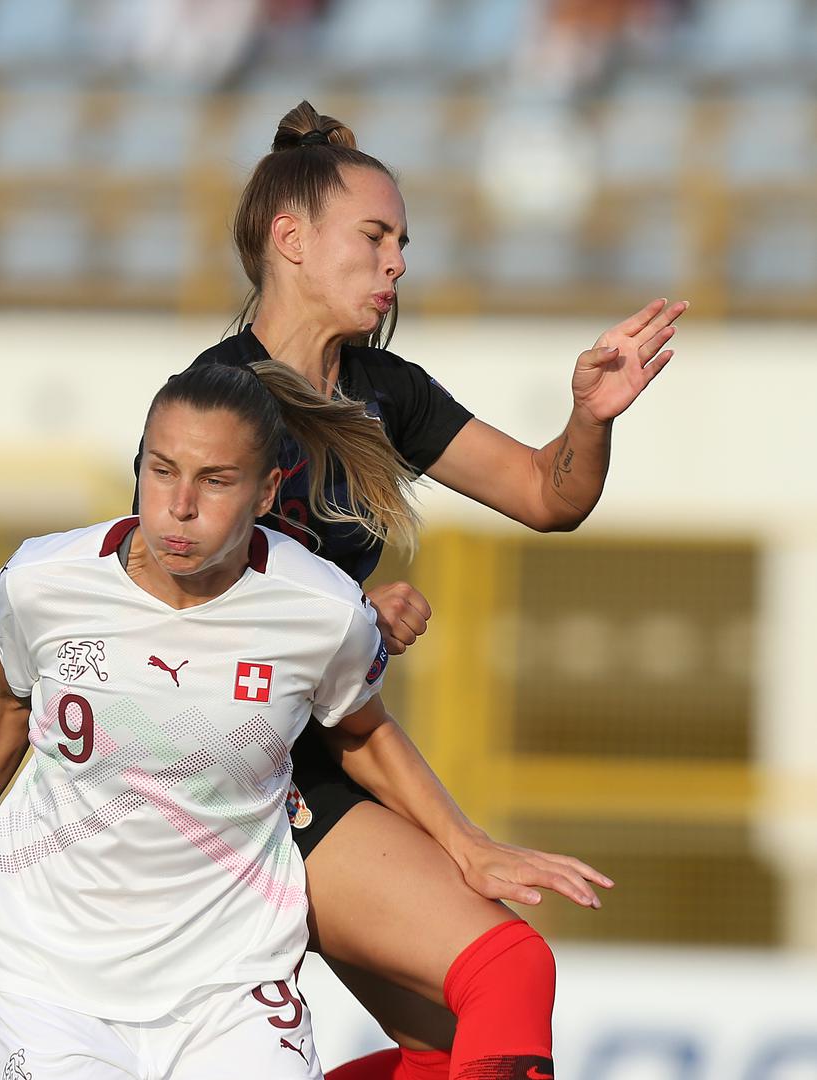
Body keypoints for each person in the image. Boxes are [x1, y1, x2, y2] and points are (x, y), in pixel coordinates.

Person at [0, 360, 607, 1079]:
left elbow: (360, 729)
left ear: (264, 492)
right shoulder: (42, 583)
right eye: (162, 471)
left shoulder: (318, 609)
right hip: (53, 971)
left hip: (232, 978)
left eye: (215, 480)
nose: (180, 506)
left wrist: (466, 845)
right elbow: (2, 703)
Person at [161, 102, 684, 1080]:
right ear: (292, 239)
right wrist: (350, 619)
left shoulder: (382, 389)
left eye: (402, 240)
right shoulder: (218, 399)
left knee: (448, 1050)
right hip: (234, 781)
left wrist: (590, 417)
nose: (397, 261)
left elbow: (544, 492)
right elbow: (182, 600)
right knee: (509, 968)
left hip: (319, 764)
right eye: (375, 236)